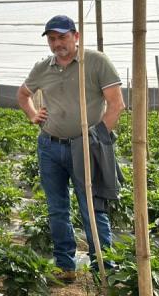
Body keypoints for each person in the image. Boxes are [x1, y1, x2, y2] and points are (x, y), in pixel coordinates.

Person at [16, 14, 125, 283]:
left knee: (92, 206)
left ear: (76, 36)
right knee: (57, 208)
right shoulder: (43, 67)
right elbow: (23, 94)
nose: (57, 43)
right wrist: (33, 116)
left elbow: (116, 105)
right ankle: (66, 266)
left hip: (85, 147)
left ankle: (105, 267)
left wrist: (95, 139)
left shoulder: (96, 62)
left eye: (62, 37)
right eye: (52, 39)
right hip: (50, 146)